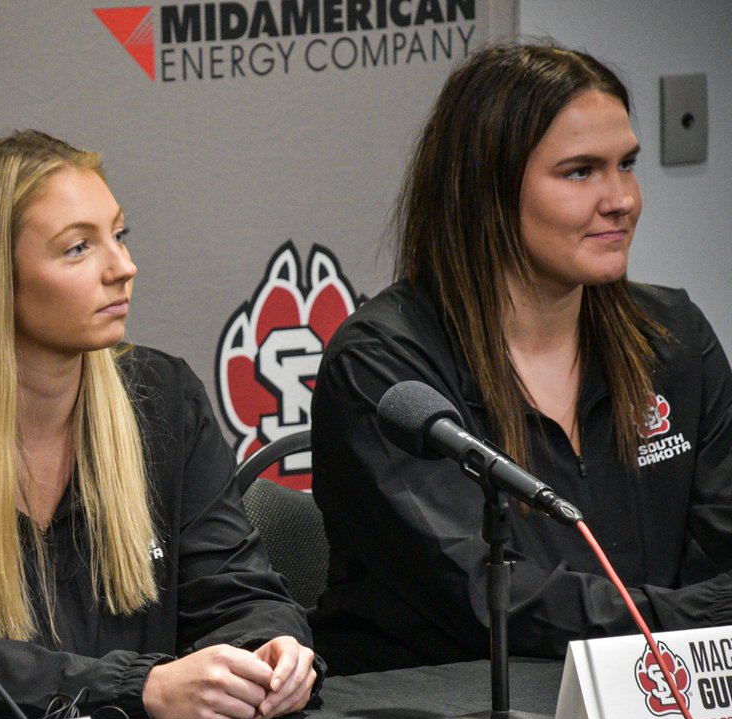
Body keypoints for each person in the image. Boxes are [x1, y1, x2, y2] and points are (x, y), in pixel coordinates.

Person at [0, 130, 320, 719]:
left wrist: (272, 651)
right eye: (79, 248)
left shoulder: (161, 398)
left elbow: (242, 594)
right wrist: (142, 690)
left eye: (120, 234)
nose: (123, 268)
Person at [309, 42, 732, 672]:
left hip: (665, 702)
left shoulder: (671, 337)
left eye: (627, 164)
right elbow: (486, 596)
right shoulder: (383, 366)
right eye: (581, 172)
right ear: (488, 189)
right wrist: (686, 624)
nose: (621, 198)